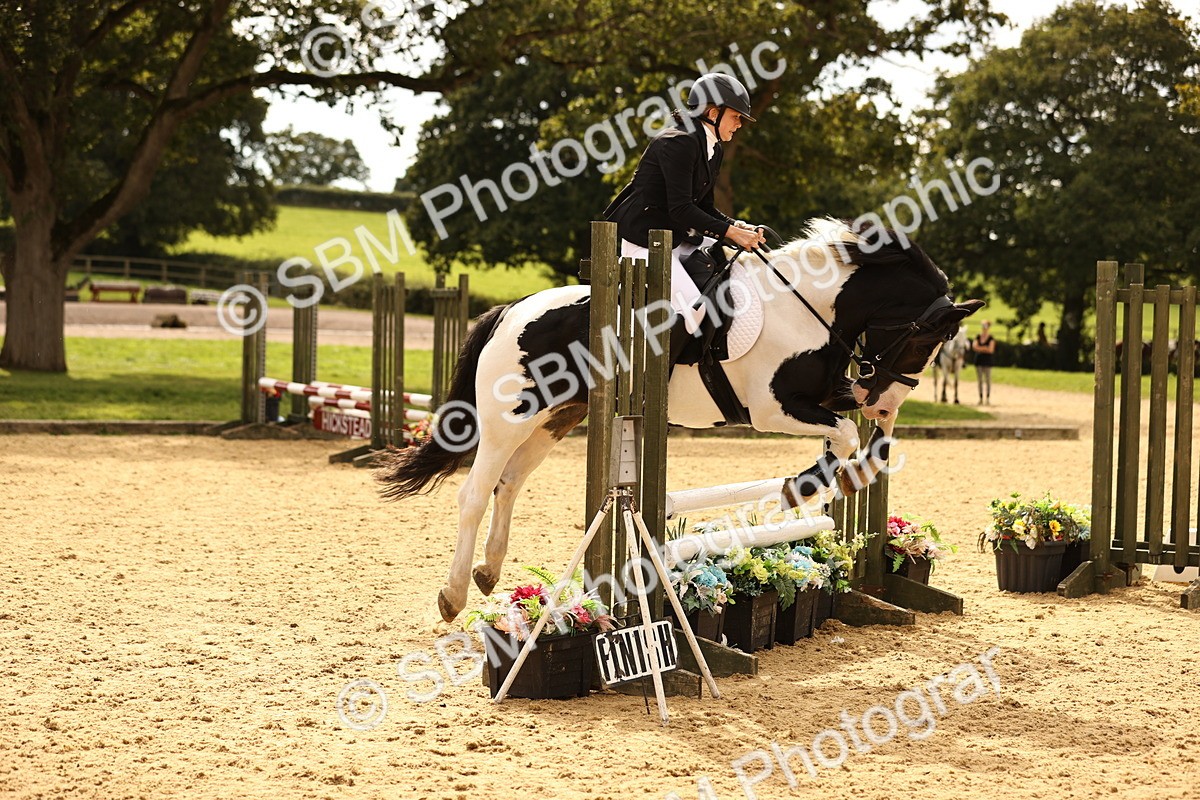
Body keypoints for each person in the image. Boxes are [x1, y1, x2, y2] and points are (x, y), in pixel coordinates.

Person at [603, 72, 765, 360]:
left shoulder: (713, 148)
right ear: (714, 112)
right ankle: (654, 382)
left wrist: (736, 226)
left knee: (726, 272)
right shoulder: (679, 142)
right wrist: (730, 233)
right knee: (694, 308)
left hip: (678, 240)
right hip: (646, 242)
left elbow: (704, 207)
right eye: (736, 117)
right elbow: (681, 209)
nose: (739, 124)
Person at [973, 320, 997, 404]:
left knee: (987, 380)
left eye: (985, 327)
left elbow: (991, 350)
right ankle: (980, 398)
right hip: (979, 361)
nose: (984, 328)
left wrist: (980, 348)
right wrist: (985, 348)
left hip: (987, 362)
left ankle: (987, 398)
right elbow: (974, 347)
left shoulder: (991, 338)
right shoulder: (978, 336)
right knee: (980, 380)